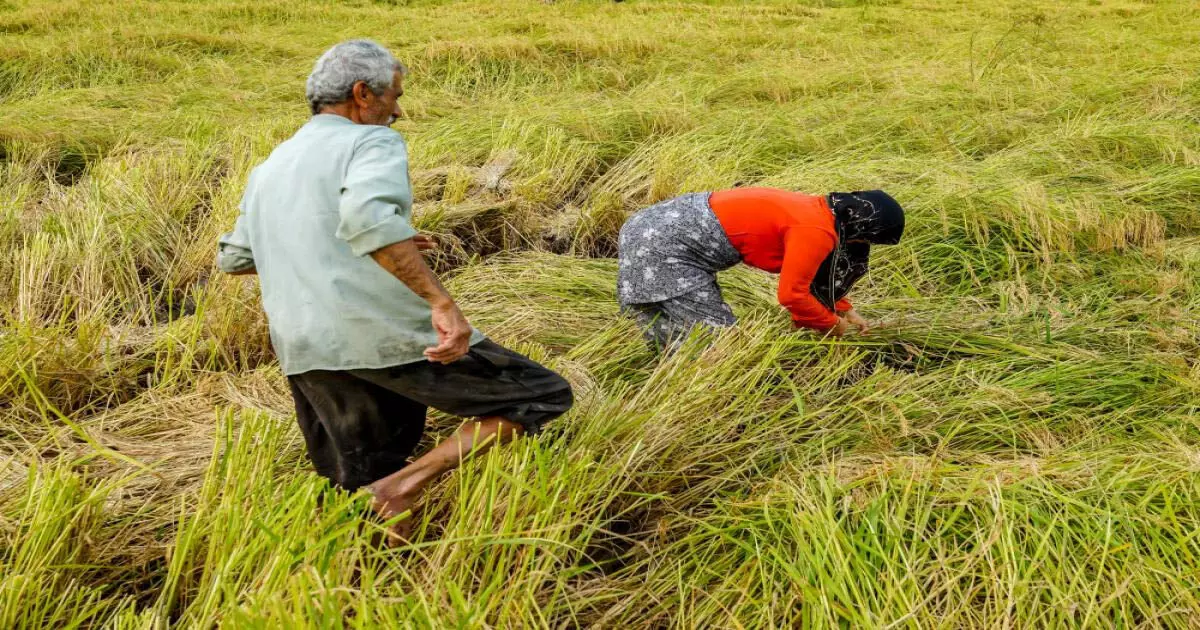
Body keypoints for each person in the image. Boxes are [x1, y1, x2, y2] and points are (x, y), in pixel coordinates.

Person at [215, 40, 573, 541]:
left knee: (356, 476)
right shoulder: (370, 142)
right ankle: (407, 485)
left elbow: (236, 257)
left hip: (304, 347)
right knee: (539, 396)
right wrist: (439, 300)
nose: (398, 110)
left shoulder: (272, 164)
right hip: (381, 335)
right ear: (363, 94)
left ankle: (367, 579)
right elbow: (368, 221)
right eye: (394, 96)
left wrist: (384, 241)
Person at [617, 187, 904, 347]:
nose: (862, 245)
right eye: (868, 239)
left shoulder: (818, 211)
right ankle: (711, 412)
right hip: (667, 246)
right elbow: (792, 294)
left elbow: (812, 273)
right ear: (863, 228)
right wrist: (832, 325)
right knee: (720, 344)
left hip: (649, 225)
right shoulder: (815, 230)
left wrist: (844, 309)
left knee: (664, 337)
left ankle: (665, 391)